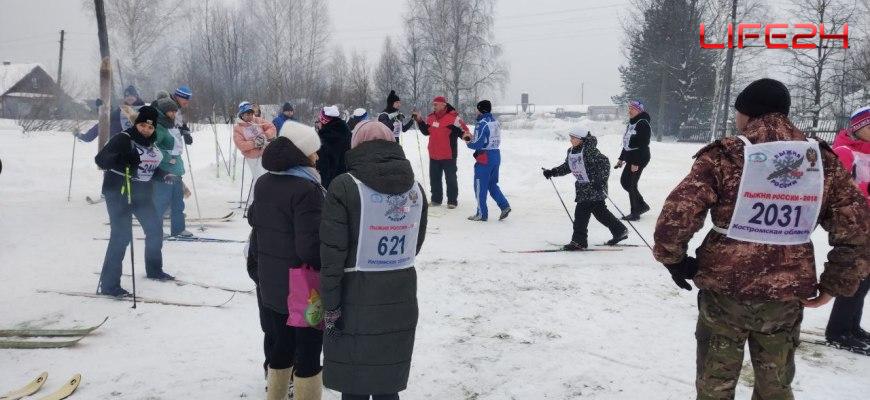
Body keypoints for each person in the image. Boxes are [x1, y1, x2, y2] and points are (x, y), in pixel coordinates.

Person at [653, 78, 870, 399]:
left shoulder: (726, 154)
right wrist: (835, 284)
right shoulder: (820, 160)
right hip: (786, 295)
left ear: (746, 114)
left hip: (724, 293)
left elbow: (678, 212)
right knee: (775, 386)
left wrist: (675, 260)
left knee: (715, 385)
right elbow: (856, 227)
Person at [320, 121, 428, 400]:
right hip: (400, 295)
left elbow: (332, 257)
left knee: (354, 386)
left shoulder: (344, 186)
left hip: (354, 299)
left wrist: (330, 309)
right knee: (386, 382)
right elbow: (414, 244)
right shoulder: (416, 189)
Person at [248, 124, 325, 400]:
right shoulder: (307, 189)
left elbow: (255, 224)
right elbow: (310, 247)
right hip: (302, 288)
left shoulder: (264, 182)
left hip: (271, 283)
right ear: (302, 154)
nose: (317, 157)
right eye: (313, 152)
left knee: (280, 347)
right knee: (307, 351)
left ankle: (276, 394)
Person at [94, 106, 174, 297]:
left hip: (142, 194)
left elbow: (147, 169)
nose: (146, 130)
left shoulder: (151, 145)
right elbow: (101, 160)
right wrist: (123, 159)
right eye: (143, 125)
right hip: (119, 192)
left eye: (150, 127)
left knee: (155, 229)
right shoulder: (123, 139)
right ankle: (109, 285)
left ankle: (154, 269)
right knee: (121, 236)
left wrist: (162, 175)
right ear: (136, 124)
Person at [824, 105, 870, 354]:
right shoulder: (845, 152)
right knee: (854, 276)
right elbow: (836, 188)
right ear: (857, 127)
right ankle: (838, 330)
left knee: (865, 279)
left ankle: (853, 325)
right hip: (854, 225)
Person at [543, 126, 628, 250]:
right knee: (600, 212)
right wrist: (553, 172)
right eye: (570, 137)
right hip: (583, 188)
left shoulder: (589, 150)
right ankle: (619, 230)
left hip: (594, 187)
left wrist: (600, 180)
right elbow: (568, 166)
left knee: (581, 214)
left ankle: (579, 242)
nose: (571, 140)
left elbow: (605, 163)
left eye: (573, 138)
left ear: (581, 139)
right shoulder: (571, 151)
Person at [411, 96, 470, 208]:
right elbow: (426, 132)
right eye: (433, 104)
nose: (434, 106)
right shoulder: (431, 117)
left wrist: (466, 136)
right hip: (434, 154)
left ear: (443, 105)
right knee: (435, 178)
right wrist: (419, 120)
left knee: (451, 178)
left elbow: (463, 130)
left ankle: (452, 201)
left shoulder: (453, 118)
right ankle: (436, 200)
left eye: (436, 104)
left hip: (449, 155)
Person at [151, 97, 191, 237]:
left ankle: (178, 229)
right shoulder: (159, 127)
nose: (174, 114)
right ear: (163, 112)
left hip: (176, 170)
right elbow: (153, 147)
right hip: (164, 170)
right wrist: (168, 158)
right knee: (161, 201)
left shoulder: (171, 124)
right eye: (170, 112)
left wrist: (185, 133)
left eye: (175, 111)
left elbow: (176, 145)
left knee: (177, 201)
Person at [465, 100, 511, 221]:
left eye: (477, 109)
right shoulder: (495, 121)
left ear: (481, 109)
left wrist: (468, 141)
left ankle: (481, 214)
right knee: (492, 184)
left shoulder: (481, 123)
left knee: (480, 186)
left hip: (485, 157)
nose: (476, 111)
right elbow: (486, 138)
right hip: (496, 154)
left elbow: (478, 144)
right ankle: (504, 205)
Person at [614, 100, 651, 221]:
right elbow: (627, 144)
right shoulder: (631, 123)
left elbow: (643, 144)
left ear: (639, 110)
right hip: (631, 157)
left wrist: (637, 163)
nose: (629, 111)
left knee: (631, 184)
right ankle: (642, 205)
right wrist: (621, 158)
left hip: (640, 157)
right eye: (629, 108)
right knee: (625, 182)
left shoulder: (642, 123)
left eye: (632, 109)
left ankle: (635, 212)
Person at [233, 101, 278, 198]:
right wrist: (255, 143)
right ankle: (255, 201)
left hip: (264, 153)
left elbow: (272, 128)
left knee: (266, 176)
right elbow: (240, 145)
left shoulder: (258, 120)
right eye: (247, 113)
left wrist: (264, 136)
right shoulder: (238, 128)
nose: (250, 115)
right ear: (242, 115)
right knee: (260, 178)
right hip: (252, 157)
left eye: (251, 113)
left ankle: (264, 198)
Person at [75, 85, 145, 142]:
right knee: (105, 123)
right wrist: (101, 108)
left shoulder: (143, 108)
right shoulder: (121, 109)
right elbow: (108, 118)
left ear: (136, 96)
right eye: (127, 96)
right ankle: (87, 137)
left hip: (138, 138)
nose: (129, 98)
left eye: (132, 96)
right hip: (120, 141)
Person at [314, 105, 351, 189]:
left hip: (328, 183)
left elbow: (322, 163)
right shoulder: (346, 131)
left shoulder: (324, 137)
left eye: (319, 121)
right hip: (345, 179)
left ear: (324, 121)